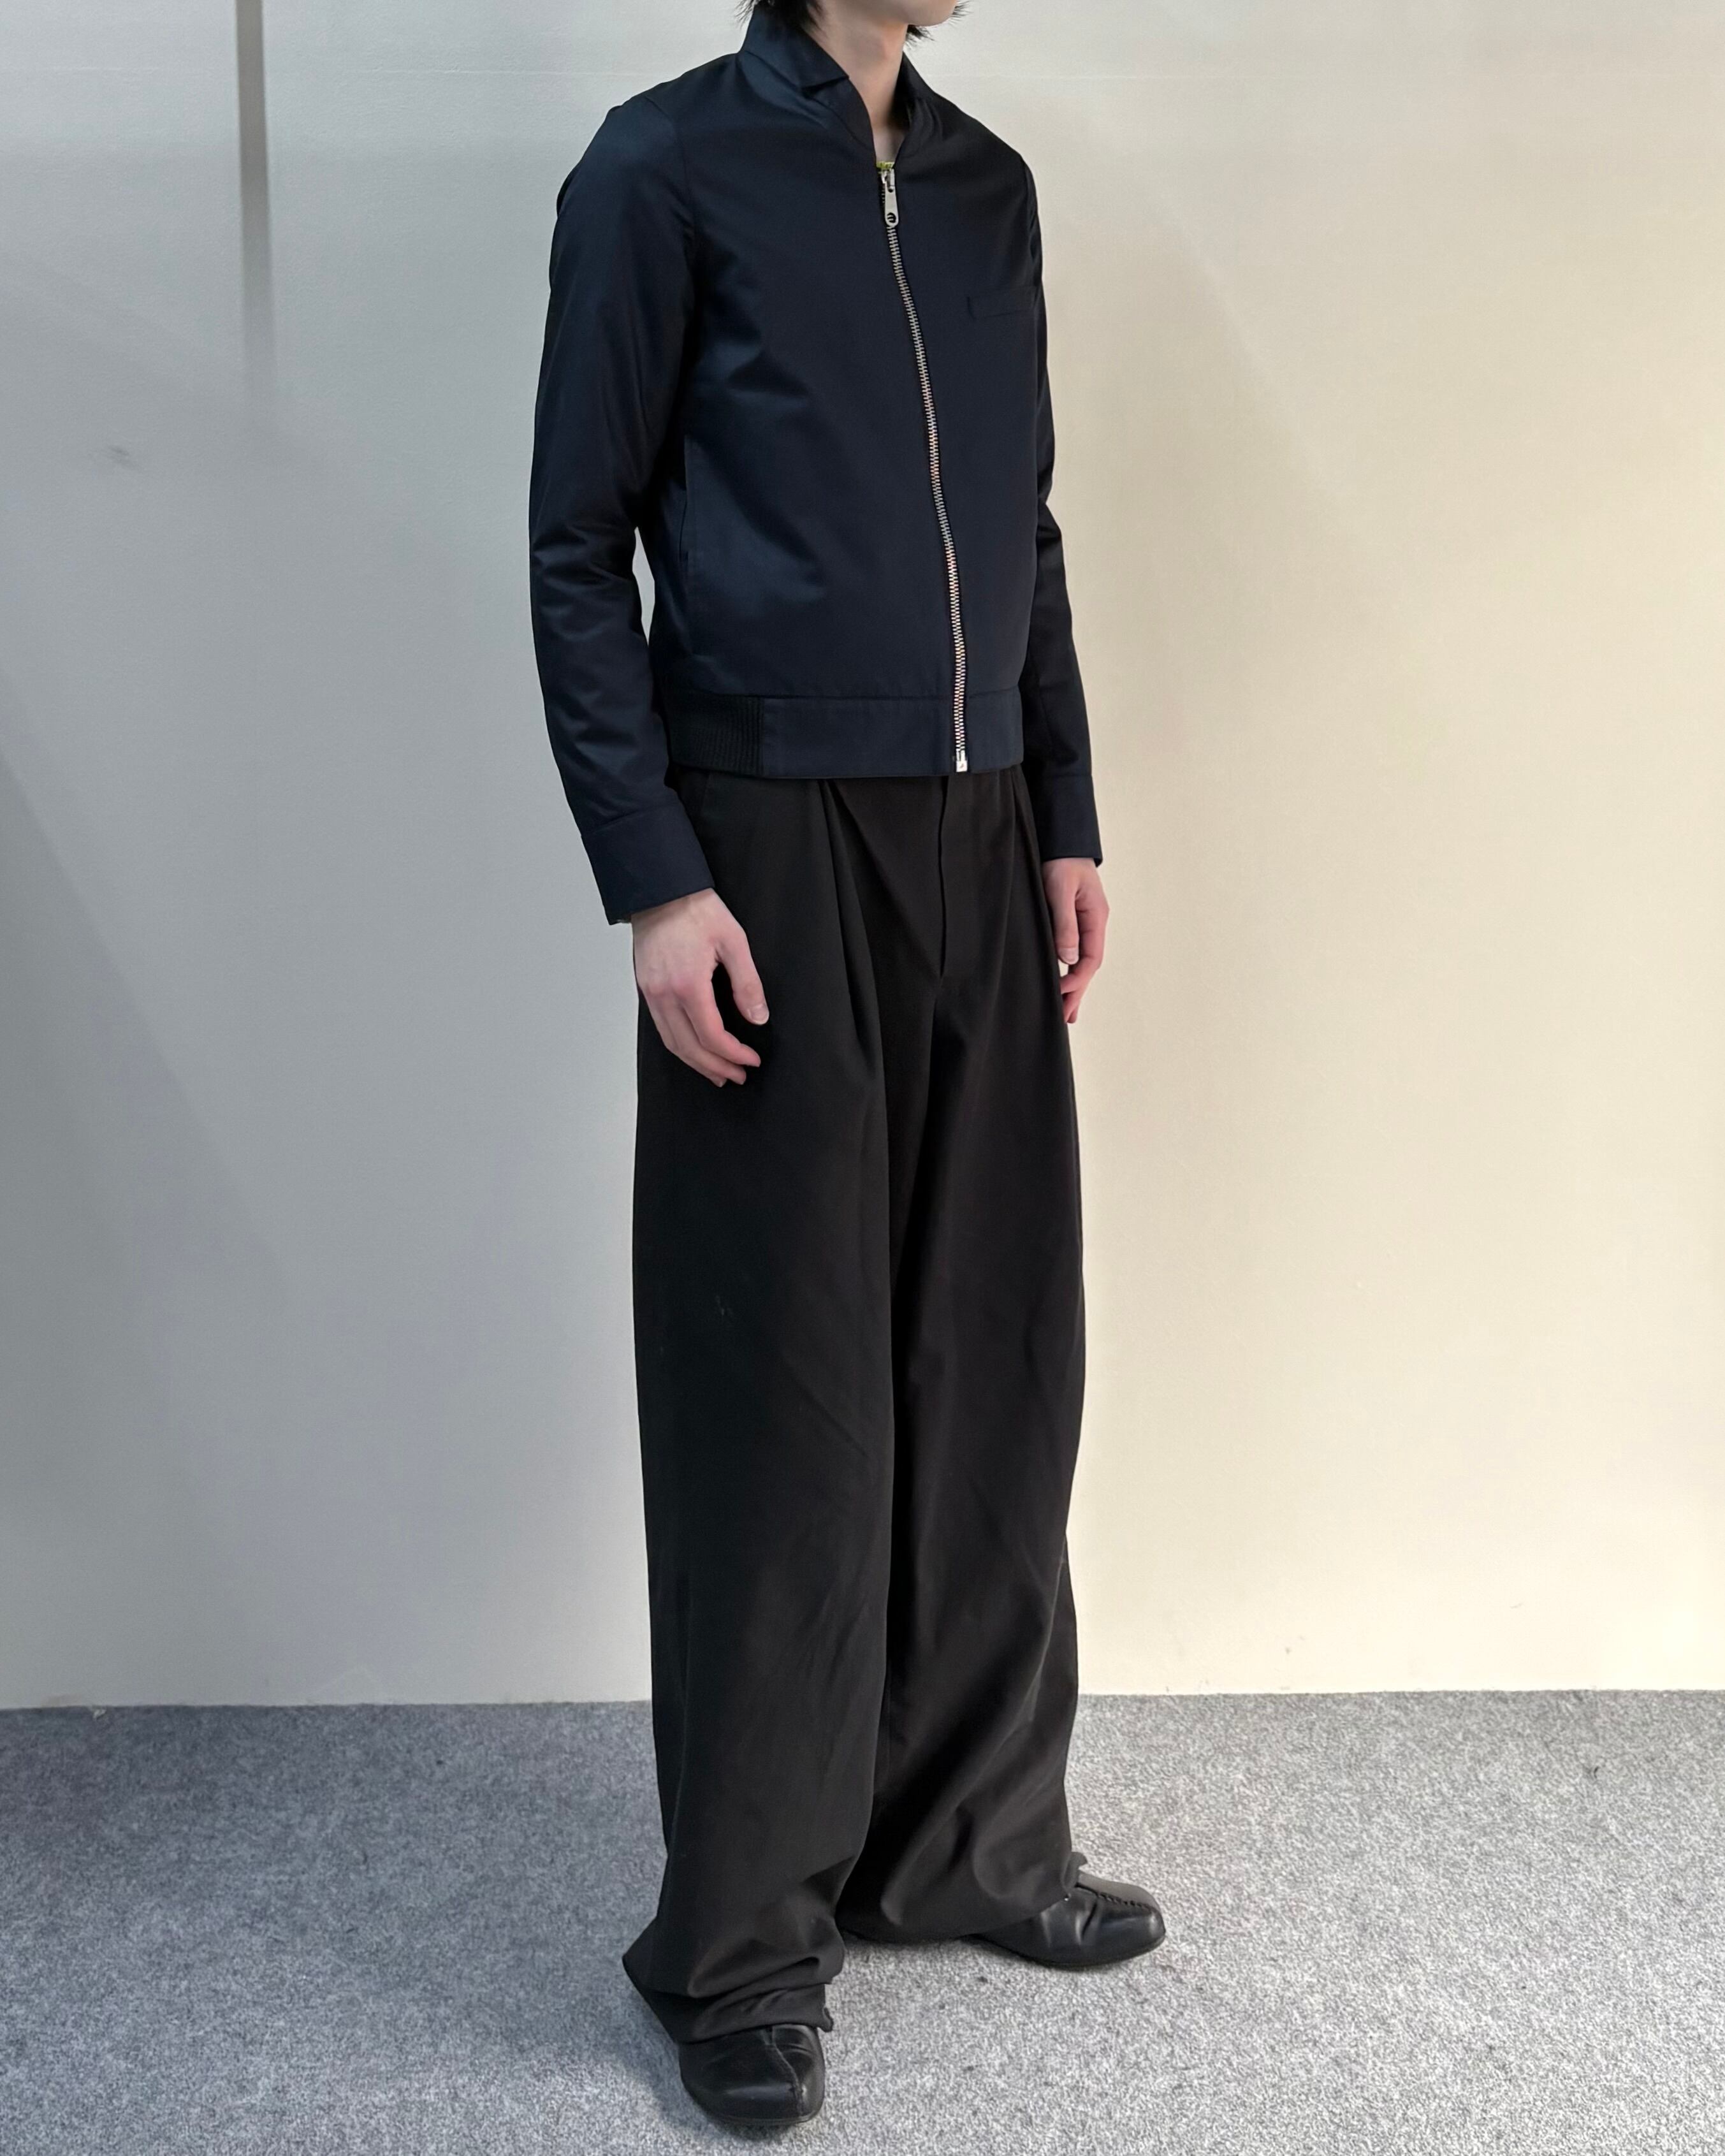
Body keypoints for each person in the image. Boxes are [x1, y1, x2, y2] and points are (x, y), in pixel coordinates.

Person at [529, 0, 1163, 2127]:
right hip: (765, 838)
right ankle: (736, 1944)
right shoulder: (661, 168)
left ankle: (966, 1843)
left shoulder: (986, 189)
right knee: (781, 1394)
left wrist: (1062, 809)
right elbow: (574, 543)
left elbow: (1024, 526)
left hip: (978, 833)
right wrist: (655, 876)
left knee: (993, 1359)